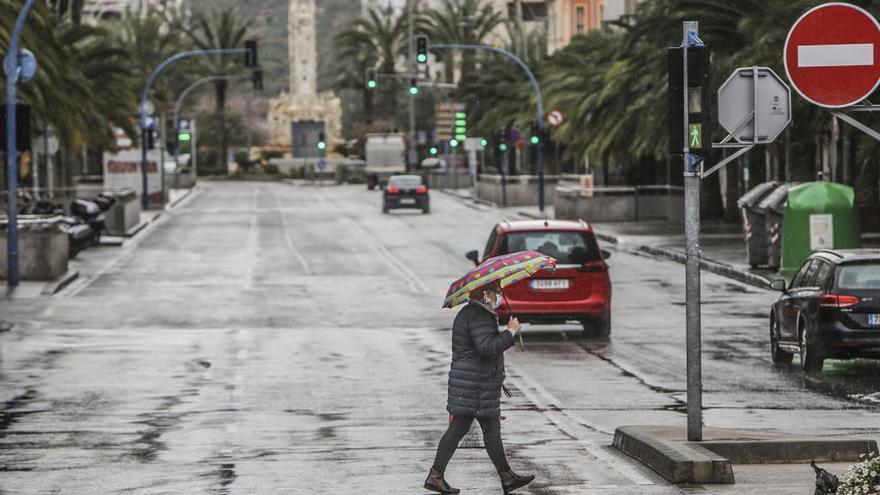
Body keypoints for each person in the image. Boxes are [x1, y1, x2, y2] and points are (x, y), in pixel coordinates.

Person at [424, 281, 535, 494]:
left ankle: (506, 476)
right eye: (496, 292)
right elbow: (486, 347)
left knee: (488, 429)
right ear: (486, 293)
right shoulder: (478, 315)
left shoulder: (476, 314)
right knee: (463, 428)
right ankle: (436, 475)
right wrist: (510, 333)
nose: (499, 296)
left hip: (477, 382)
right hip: (474, 384)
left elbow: (481, 347)